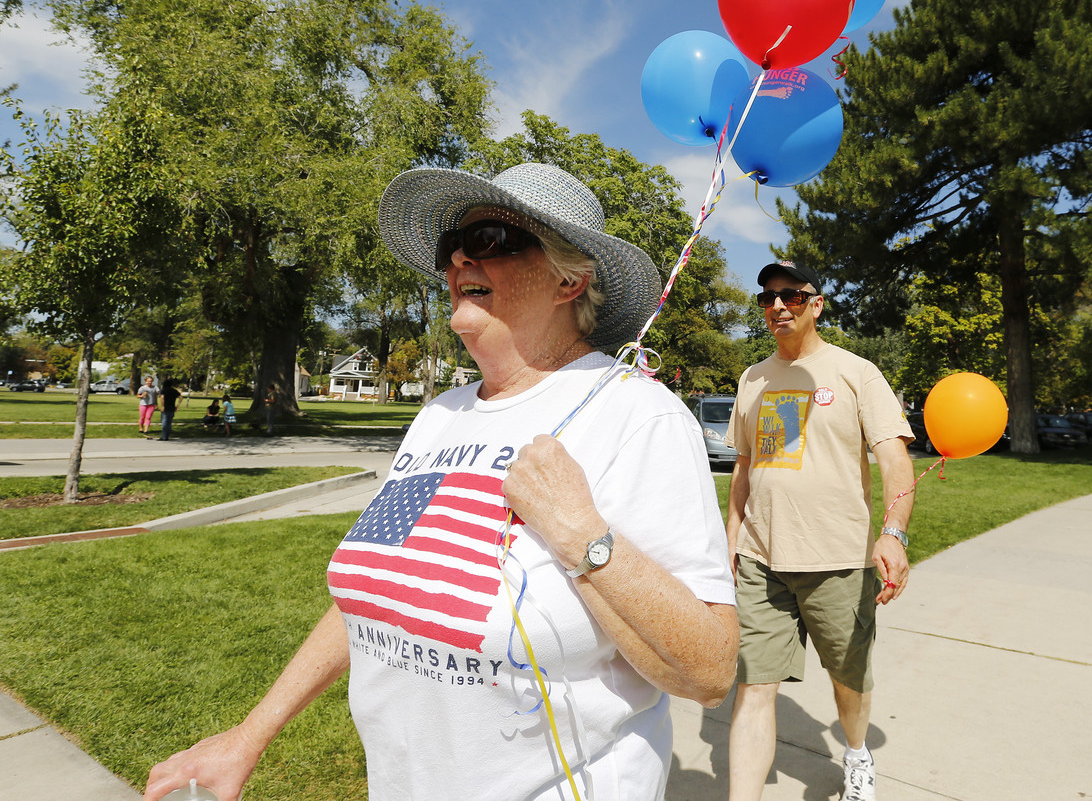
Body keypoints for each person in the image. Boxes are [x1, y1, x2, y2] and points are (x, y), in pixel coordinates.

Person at [145, 162, 738, 801]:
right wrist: (250, 734)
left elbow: (708, 668)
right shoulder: (439, 416)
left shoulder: (637, 415)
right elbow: (374, 595)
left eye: (491, 238)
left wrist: (583, 538)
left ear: (571, 281)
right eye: (452, 245)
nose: (458, 256)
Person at [724, 260, 916, 801]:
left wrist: (893, 533)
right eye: (767, 298)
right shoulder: (753, 377)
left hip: (838, 558)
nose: (778, 305)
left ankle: (856, 753)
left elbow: (895, 462)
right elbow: (746, 466)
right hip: (762, 561)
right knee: (754, 687)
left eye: (791, 295)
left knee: (848, 678)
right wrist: (731, 539)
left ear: (817, 303)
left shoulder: (856, 372)